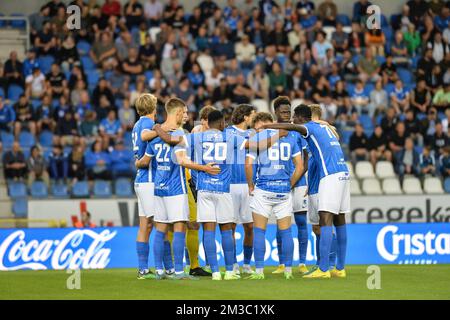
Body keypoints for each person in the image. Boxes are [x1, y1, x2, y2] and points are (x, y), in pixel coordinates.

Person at [136, 98, 220, 280]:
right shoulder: (179, 134)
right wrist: (205, 168)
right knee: (180, 227)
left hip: (158, 187)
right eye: (185, 112)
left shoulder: (155, 133)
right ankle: (180, 272)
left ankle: (159, 270)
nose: (187, 116)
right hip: (175, 188)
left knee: (160, 229)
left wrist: (136, 162)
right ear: (178, 113)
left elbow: (144, 161)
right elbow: (182, 160)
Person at [263, 105, 349, 279]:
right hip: (344, 173)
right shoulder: (325, 126)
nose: (292, 118)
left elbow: (293, 127)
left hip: (330, 175)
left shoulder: (308, 127)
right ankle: (339, 268)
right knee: (340, 220)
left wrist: (267, 126)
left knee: (325, 219)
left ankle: (323, 269)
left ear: (301, 117)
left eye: (295, 115)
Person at [244, 112, 303, 280]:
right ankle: (288, 271)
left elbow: (248, 164)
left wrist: (250, 185)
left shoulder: (258, 139)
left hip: (264, 189)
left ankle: (260, 271)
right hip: (283, 191)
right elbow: (299, 167)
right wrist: (289, 184)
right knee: (286, 232)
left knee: (259, 231)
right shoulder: (290, 138)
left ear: (262, 124)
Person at [224, 104, 256, 276]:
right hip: (231, 185)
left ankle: (247, 264)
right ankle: (233, 263)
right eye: (253, 115)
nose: (254, 118)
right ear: (245, 117)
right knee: (230, 226)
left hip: (249, 185)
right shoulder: (228, 132)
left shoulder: (252, 133)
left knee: (250, 226)